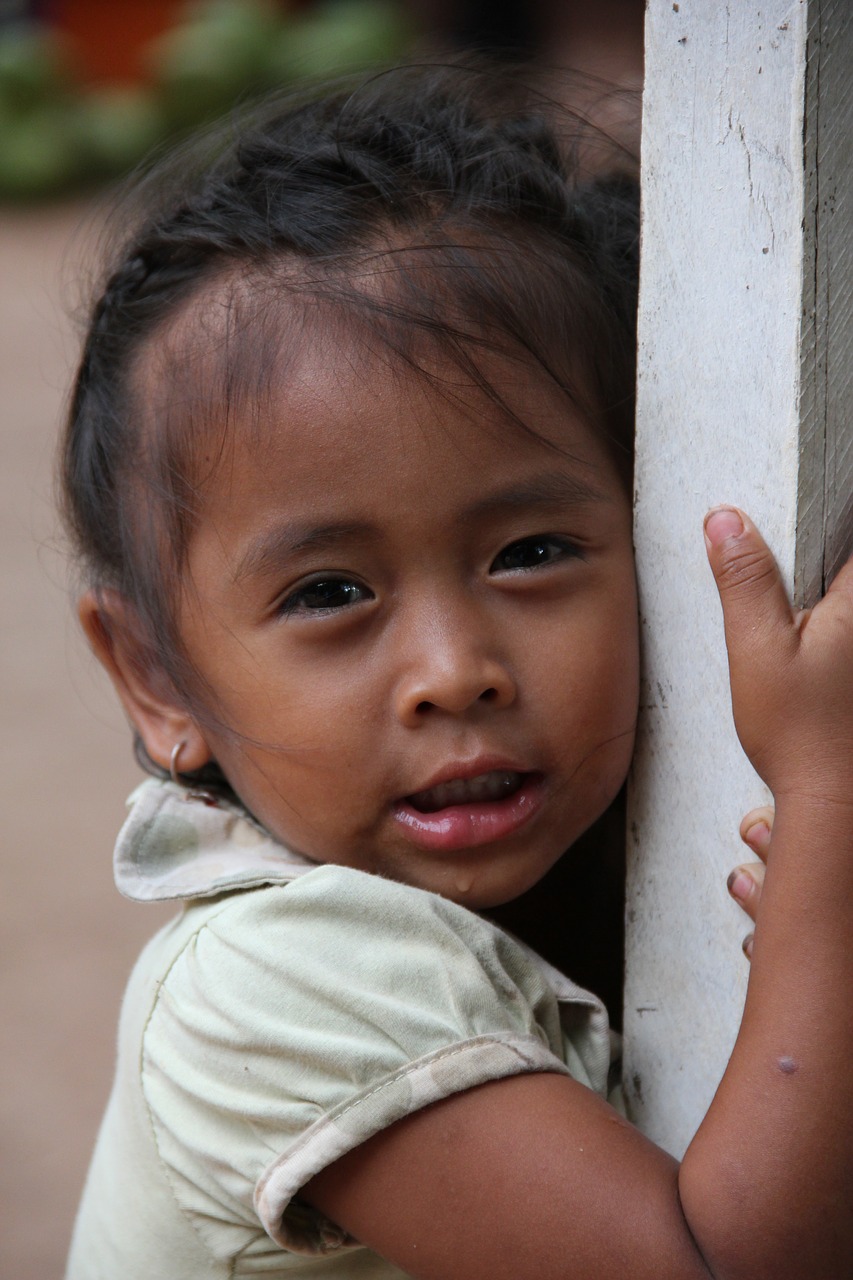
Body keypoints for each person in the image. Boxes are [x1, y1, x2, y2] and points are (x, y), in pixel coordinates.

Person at [61, 62, 853, 1279]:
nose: (454, 672)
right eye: (329, 592)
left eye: (530, 552)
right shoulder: (271, 984)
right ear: (155, 677)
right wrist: (831, 801)